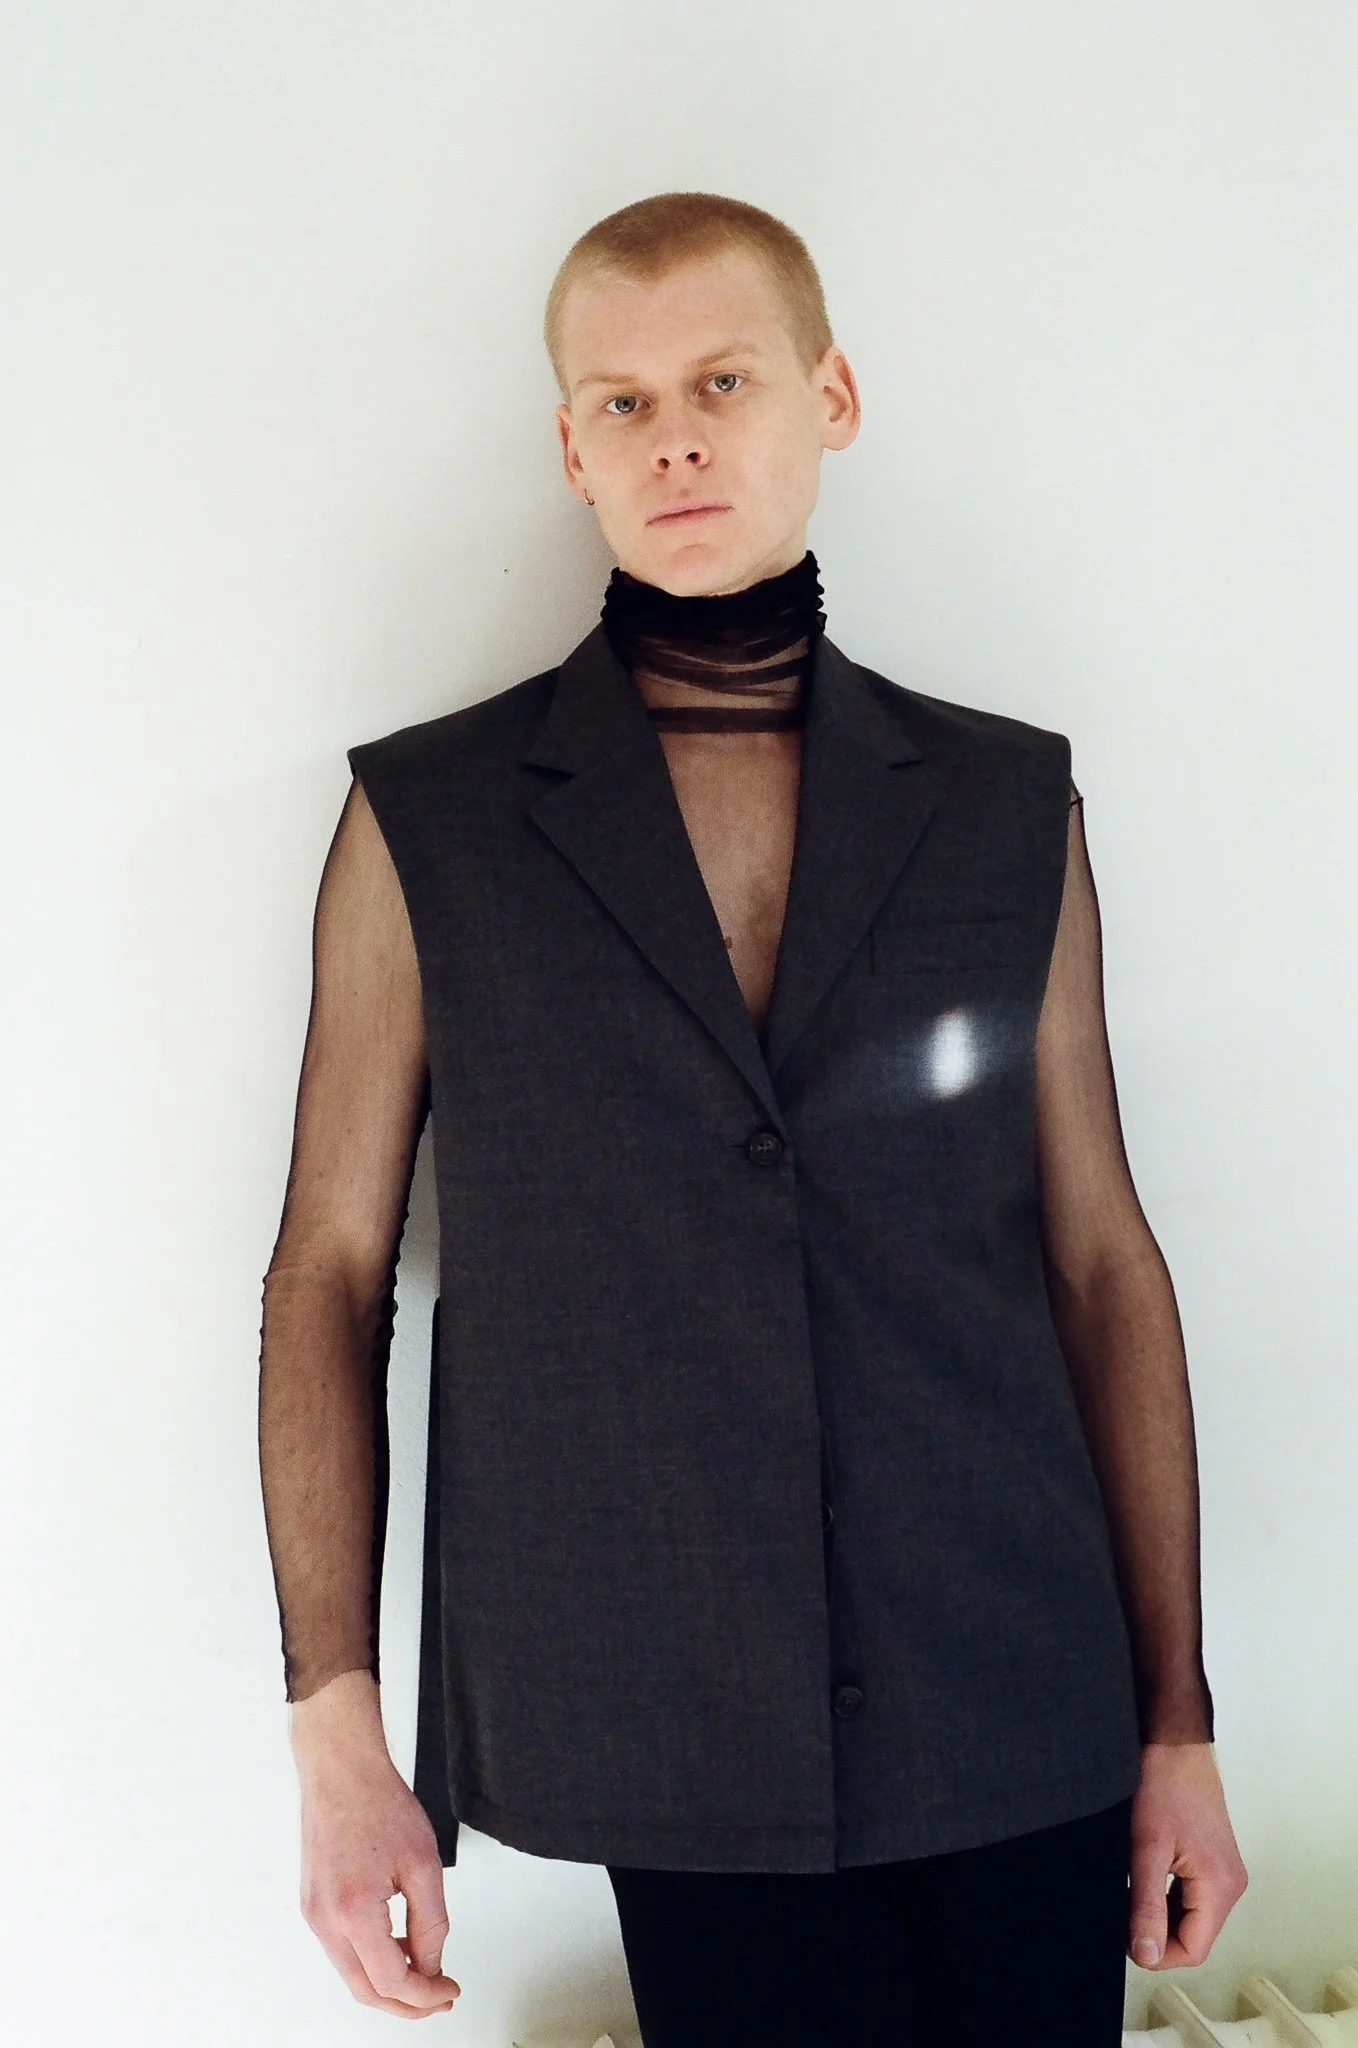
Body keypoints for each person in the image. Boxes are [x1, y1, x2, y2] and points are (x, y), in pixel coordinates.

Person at [258, 191, 1248, 2043]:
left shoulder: (1002, 801)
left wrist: (1176, 1719)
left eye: (722, 381)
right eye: (621, 403)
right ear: (570, 449)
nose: (677, 438)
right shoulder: (434, 821)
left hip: (1011, 1669)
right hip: (659, 1694)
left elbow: (1100, 1257)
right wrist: (336, 1734)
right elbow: (326, 1267)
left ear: (829, 397)